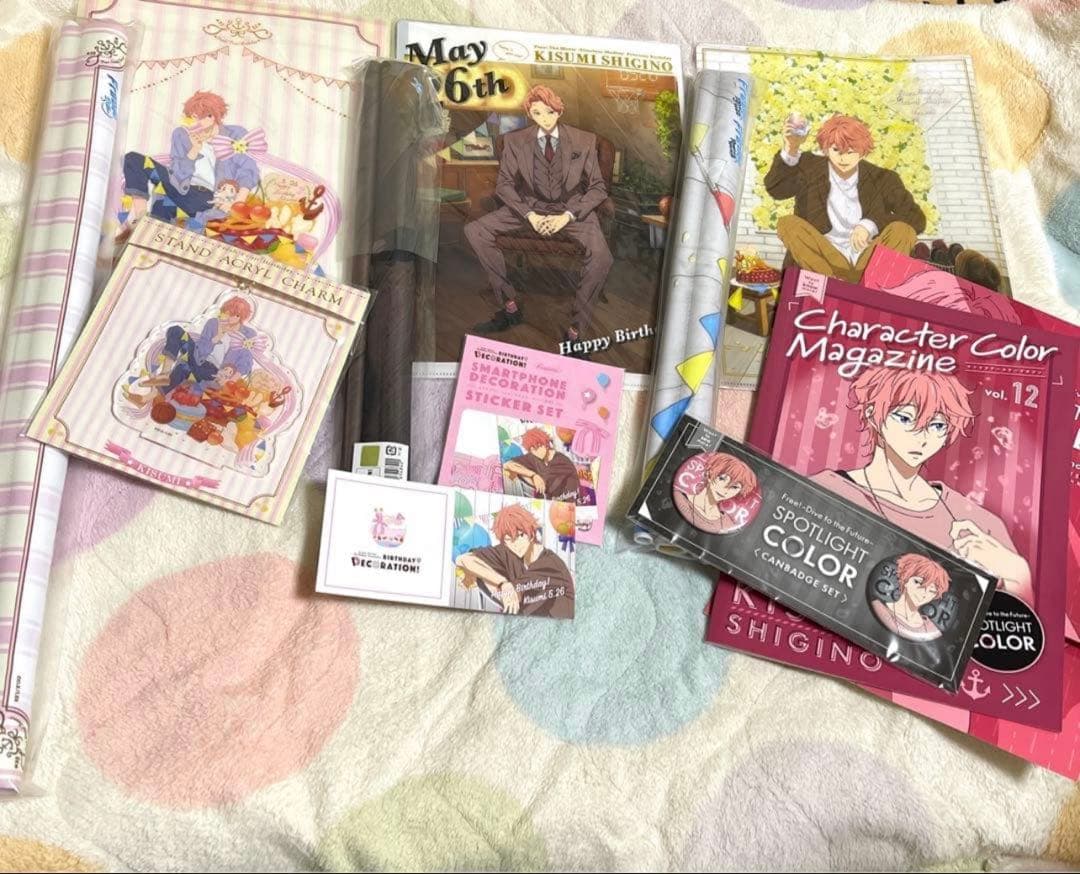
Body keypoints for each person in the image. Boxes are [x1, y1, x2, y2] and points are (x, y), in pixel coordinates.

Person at [810, 367, 1032, 604]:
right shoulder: (826, 491)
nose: (922, 437)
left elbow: (1020, 619)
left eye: (937, 425)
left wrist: (1018, 573)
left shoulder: (979, 525)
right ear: (873, 414)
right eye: (905, 419)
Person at [465, 84, 613, 349]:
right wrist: (530, 215)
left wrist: (567, 216)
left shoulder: (584, 141)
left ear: (559, 111)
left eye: (549, 112)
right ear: (529, 114)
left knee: (602, 257)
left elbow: (597, 188)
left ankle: (576, 331)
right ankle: (510, 305)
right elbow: (505, 185)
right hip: (529, 207)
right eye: (537, 113)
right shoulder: (515, 141)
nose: (544, 118)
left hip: (572, 210)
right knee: (475, 230)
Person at [765, 114, 926, 282]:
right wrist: (791, 148)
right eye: (836, 150)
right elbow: (776, 190)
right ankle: (834, 285)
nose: (843, 159)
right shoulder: (809, 168)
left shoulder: (883, 178)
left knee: (903, 231)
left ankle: (869, 286)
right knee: (787, 224)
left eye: (850, 152)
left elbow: (916, 218)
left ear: (862, 152)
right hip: (824, 260)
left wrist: (869, 225)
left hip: (869, 259)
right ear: (826, 149)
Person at [121, 91, 260, 228]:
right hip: (179, 188)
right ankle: (139, 213)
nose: (197, 122)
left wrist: (236, 205)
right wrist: (194, 150)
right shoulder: (181, 135)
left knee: (164, 205)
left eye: (203, 116)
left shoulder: (235, 134)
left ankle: (152, 224)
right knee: (133, 159)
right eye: (193, 117)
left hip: (210, 199)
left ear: (214, 116)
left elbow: (248, 170)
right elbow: (177, 175)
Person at [455, 504, 574, 618]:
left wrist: (479, 576)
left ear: (531, 534)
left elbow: (514, 597)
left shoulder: (550, 564)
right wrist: (502, 582)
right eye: (508, 540)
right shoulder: (510, 551)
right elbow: (463, 559)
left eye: (520, 535)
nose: (516, 544)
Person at [673, 452, 758, 535]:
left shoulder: (726, 524)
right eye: (722, 479)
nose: (725, 489)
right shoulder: (680, 499)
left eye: (734, 487)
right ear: (709, 474)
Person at [871, 554, 950, 642]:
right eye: (918, 583)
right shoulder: (879, 608)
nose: (924, 593)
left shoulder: (930, 629)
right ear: (905, 579)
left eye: (932, 591)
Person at [503, 427, 580, 502]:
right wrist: (533, 475)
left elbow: (545, 486)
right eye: (531, 449)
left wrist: (526, 475)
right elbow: (507, 464)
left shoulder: (562, 462)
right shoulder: (535, 456)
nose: (534, 452)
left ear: (545, 444)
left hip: (565, 502)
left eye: (536, 447)